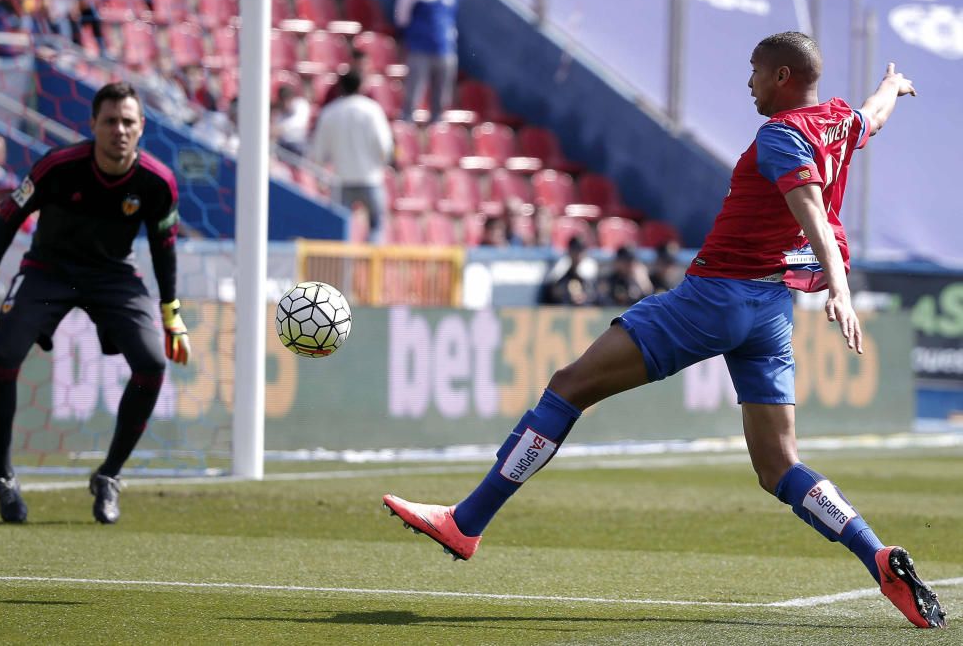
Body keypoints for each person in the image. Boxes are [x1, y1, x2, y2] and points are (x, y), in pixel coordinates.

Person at [382, 33, 945, 629]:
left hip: (714, 296)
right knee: (779, 465)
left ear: (781, 76)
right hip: (771, 309)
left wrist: (841, 287)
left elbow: (810, 209)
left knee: (569, 384)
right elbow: (873, 117)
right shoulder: (838, 120)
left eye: (754, 72)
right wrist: (893, 85)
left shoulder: (780, 136)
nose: (747, 84)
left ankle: (466, 522)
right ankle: (876, 554)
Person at [0, 81, 191, 525]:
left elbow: (165, 247)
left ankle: (109, 475)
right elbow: (10, 216)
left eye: (128, 121)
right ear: (92, 125)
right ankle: (4, 474)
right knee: (4, 353)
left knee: (152, 364)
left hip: (113, 276)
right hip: (49, 270)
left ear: (142, 127)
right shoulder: (58, 166)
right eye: (110, 121)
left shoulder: (158, 182)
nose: (119, 130)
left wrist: (171, 314)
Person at [308, 70, 393, 243]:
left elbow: (318, 152)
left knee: (340, 232)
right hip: (370, 179)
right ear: (361, 87)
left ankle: (342, 269)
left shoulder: (330, 112)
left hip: (342, 181)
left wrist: (320, 178)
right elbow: (384, 146)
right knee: (376, 227)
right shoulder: (372, 110)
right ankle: (371, 268)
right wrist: (382, 164)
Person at [393, 0, 458, 123]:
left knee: (442, 97)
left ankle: (437, 131)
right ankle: (407, 127)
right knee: (414, 93)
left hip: (445, 50)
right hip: (419, 49)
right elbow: (402, 16)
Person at [540, 235, 598, 306]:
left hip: (586, 310)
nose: (578, 255)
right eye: (575, 251)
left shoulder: (589, 269)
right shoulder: (561, 268)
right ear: (570, 251)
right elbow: (552, 294)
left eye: (581, 251)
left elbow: (597, 296)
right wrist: (569, 296)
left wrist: (586, 297)